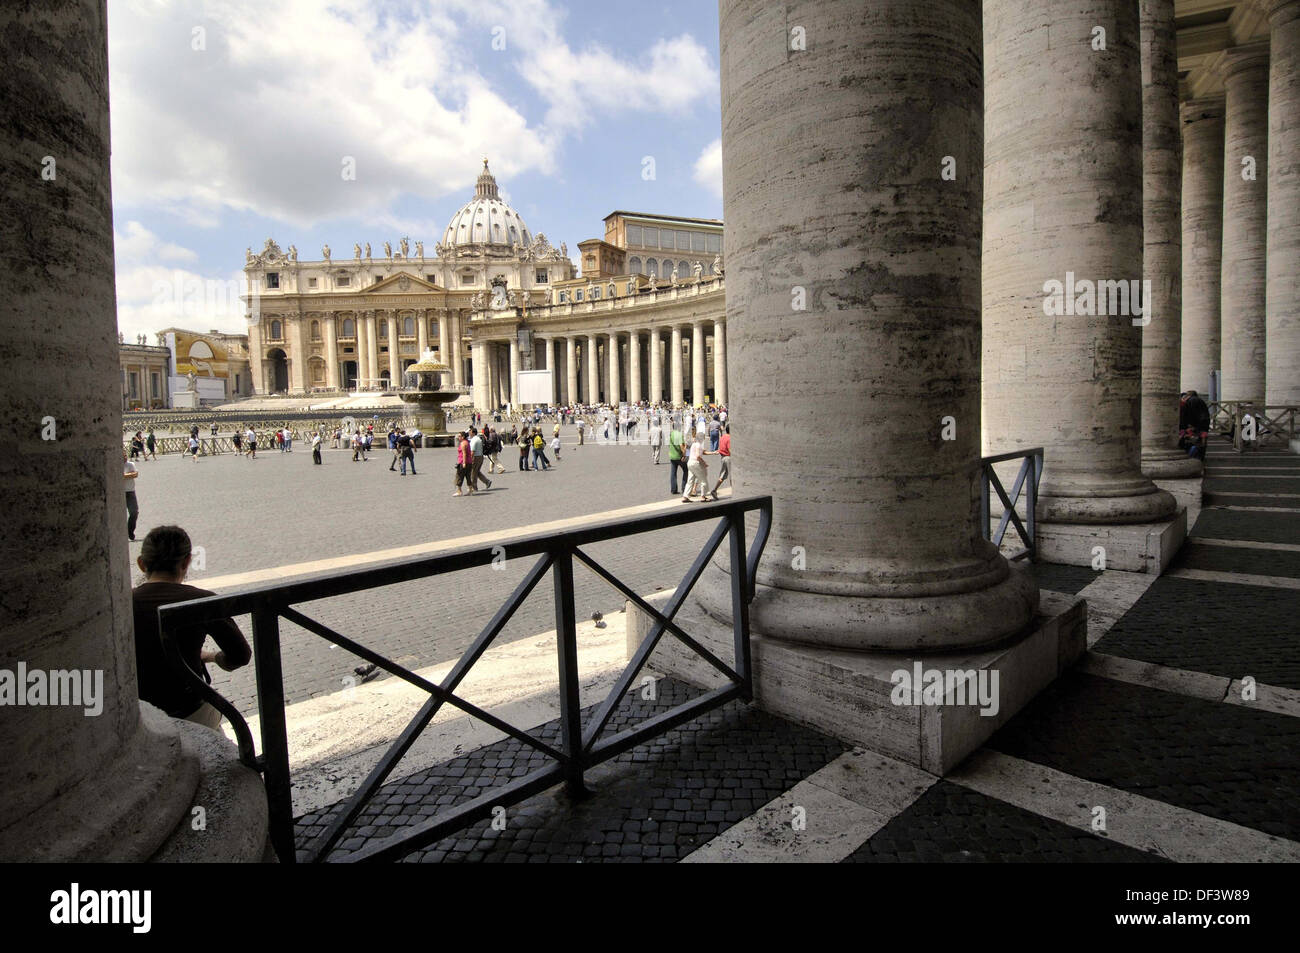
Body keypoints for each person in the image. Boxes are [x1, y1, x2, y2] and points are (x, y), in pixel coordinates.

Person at [131, 525, 251, 730]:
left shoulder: (122, 602)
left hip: (139, 712)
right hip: (191, 711)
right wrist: (214, 657)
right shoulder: (201, 601)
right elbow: (240, 655)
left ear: (142, 564)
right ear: (187, 561)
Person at [705, 425, 731, 500]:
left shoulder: (723, 437)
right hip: (728, 457)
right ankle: (735, 492)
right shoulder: (729, 438)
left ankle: (714, 490)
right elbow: (730, 450)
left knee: (722, 475)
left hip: (723, 457)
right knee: (732, 476)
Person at [681, 433, 708, 503]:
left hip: (690, 463)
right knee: (703, 479)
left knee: (690, 480)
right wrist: (704, 463)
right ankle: (703, 496)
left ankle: (685, 496)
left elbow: (703, 452)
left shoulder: (694, 444)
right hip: (696, 463)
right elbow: (698, 456)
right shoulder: (699, 445)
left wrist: (713, 452)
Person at [123, 450, 140, 541]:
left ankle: (130, 531)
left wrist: (124, 476)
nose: (125, 457)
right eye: (123, 456)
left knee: (134, 512)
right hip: (119, 493)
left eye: (125, 455)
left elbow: (135, 474)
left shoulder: (130, 464)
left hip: (130, 492)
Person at [668, 420, 687, 495]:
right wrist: (684, 455)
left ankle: (673, 489)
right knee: (686, 471)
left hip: (672, 455)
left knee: (673, 473)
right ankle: (684, 488)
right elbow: (681, 446)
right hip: (679, 456)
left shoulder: (672, 433)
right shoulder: (679, 434)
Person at [454, 431, 474, 496]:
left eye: (459, 436)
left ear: (463, 437)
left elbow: (464, 454)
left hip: (463, 462)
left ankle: (459, 491)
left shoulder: (463, 444)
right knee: (468, 477)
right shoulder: (467, 442)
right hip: (469, 462)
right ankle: (470, 490)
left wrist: (464, 463)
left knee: (459, 476)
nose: (458, 437)